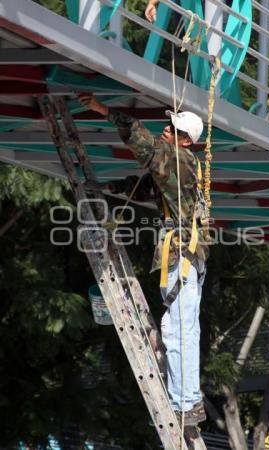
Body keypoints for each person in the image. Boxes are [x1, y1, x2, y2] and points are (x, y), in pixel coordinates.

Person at [79, 93, 209, 426]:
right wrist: (105, 186)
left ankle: (186, 403)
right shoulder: (177, 168)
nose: (165, 129)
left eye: (171, 127)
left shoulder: (179, 160)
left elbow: (144, 145)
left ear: (185, 141)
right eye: (167, 125)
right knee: (177, 328)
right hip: (185, 253)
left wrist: (106, 111)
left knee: (180, 330)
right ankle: (187, 400)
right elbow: (144, 186)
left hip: (182, 252)